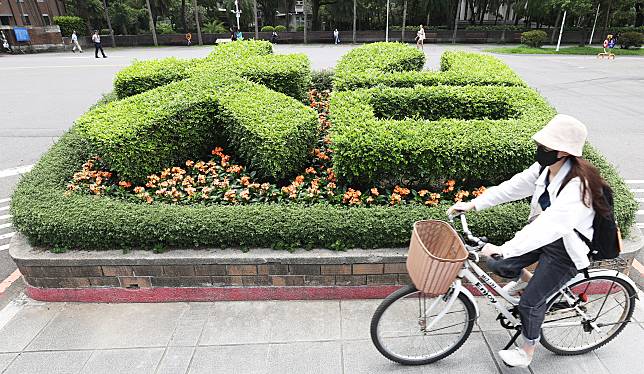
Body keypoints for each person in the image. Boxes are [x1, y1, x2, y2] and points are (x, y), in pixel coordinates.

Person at [448, 114, 606, 368]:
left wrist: (504, 248)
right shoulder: (545, 169)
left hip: (566, 249)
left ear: (564, 152)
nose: (540, 150)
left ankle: (527, 348)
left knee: (531, 302)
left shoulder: (578, 186)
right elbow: (512, 187)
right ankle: (536, 285)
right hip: (546, 237)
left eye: (546, 146)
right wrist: (473, 204)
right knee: (500, 265)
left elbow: (549, 225)